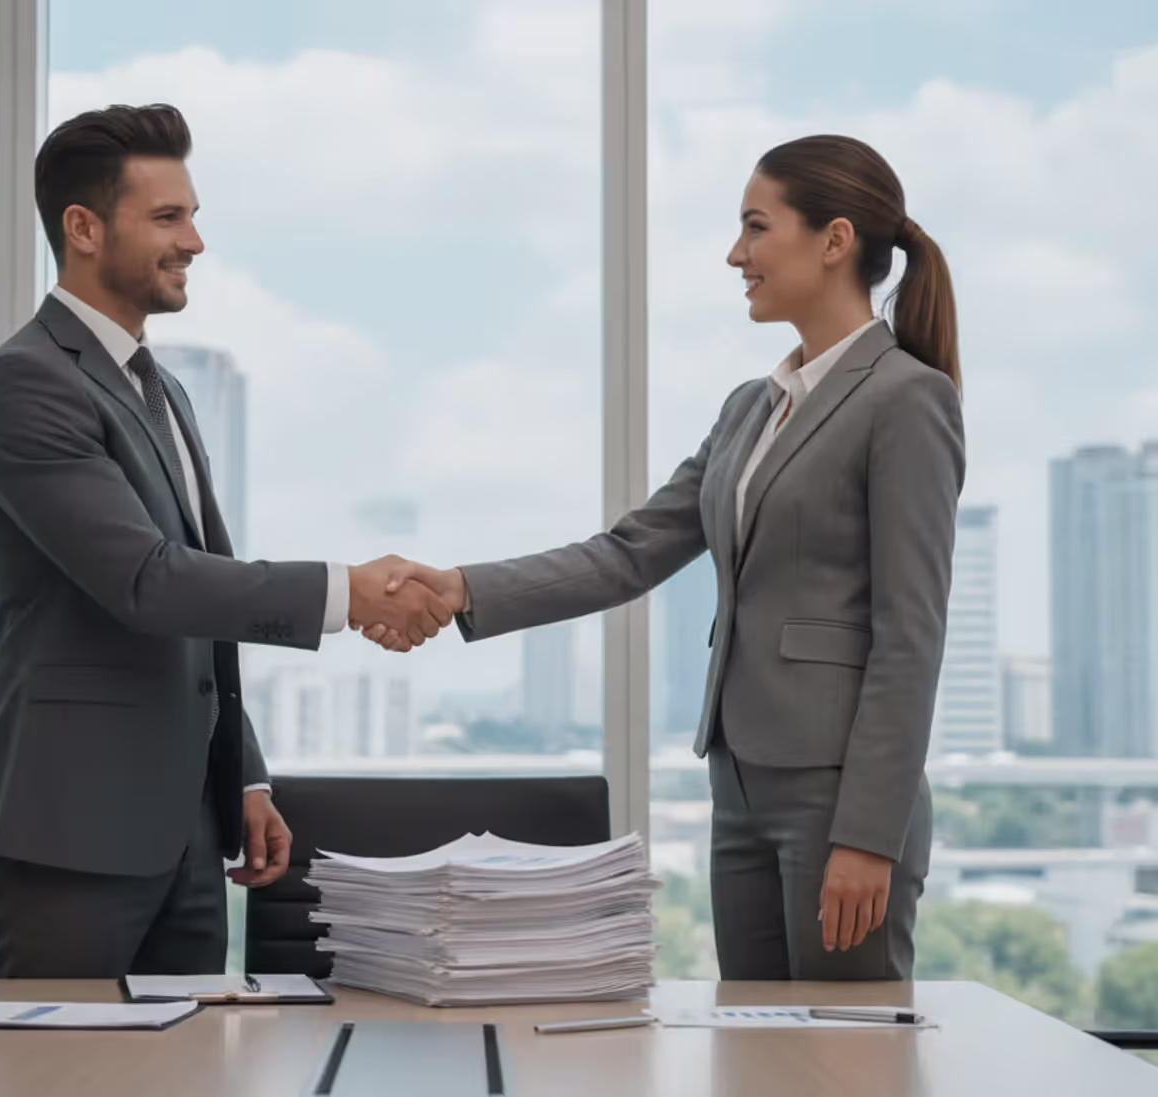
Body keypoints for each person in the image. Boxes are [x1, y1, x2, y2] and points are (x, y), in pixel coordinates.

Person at [358, 135, 964, 980]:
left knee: (845, 1055)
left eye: (756, 227)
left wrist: (870, 833)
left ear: (833, 240)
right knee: (752, 1046)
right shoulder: (752, 407)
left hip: (838, 796)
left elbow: (911, 634)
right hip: (738, 783)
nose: (736, 254)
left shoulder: (906, 398)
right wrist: (460, 588)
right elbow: (628, 554)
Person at [0, 103, 453, 978]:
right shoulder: (25, 385)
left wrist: (244, 776)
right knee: (54, 1074)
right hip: (68, 829)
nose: (194, 241)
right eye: (167, 217)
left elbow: (202, 608)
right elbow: (149, 584)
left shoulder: (165, 392)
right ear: (82, 228)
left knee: (188, 1067)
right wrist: (348, 591)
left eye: (192, 215)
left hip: (186, 833)